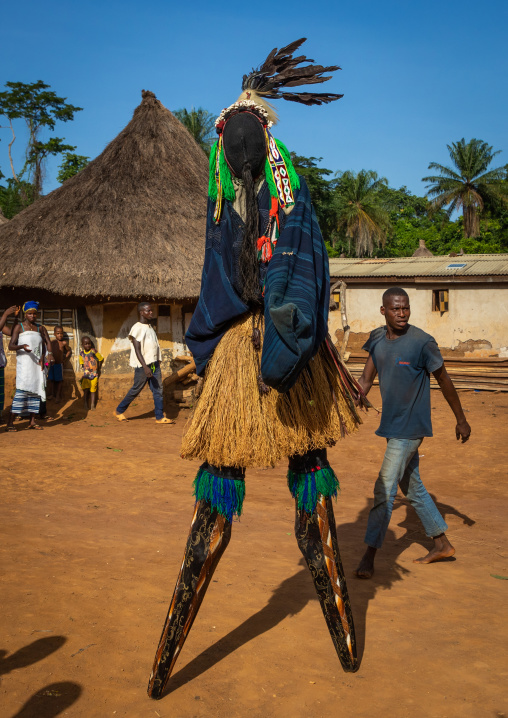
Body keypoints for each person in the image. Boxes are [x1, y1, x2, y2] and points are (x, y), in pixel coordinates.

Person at [147, 40, 372, 700]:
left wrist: (216, 349)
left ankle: (170, 664)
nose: (237, 145)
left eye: (240, 136)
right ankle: (169, 663)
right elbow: (257, 279)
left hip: (275, 363)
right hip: (273, 368)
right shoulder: (257, 205)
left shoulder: (266, 203)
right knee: (246, 506)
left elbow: (240, 292)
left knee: (298, 505)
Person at [353, 287, 471, 579]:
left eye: (405, 308)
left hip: (411, 428)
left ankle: (369, 555)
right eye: (395, 309)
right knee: (413, 487)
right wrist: (346, 400)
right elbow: (366, 380)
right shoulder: (377, 340)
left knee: (385, 488)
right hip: (392, 427)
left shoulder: (422, 343)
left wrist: (461, 419)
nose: (402, 313)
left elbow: (444, 380)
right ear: (384, 311)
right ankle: (442, 544)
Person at [114, 302, 173, 424]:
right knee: (136, 389)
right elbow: (137, 350)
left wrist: (156, 361)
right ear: (141, 312)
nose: (151, 312)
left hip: (153, 364)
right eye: (148, 311)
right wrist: (145, 367)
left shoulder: (150, 327)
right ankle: (119, 411)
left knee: (158, 390)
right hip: (143, 366)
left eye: (151, 310)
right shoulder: (137, 328)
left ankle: (160, 417)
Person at [6, 301, 54, 431]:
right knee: (21, 391)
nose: (32, 316)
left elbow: (48, 342)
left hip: (37, 365)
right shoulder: (19, 327)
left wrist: (48, 354)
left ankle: (32, 421)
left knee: (35, 391)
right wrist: (21, 347)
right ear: (25, 314)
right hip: (25, 366)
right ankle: (10, 422)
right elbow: (11, 346)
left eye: (34, 314)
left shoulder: (40, 328)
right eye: (30, 313)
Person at [0, 306, 20, 423]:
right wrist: (6, 314)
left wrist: (16, 318)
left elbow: (13, 333)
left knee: (0, 392)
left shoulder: (1, 325)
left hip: (0, 363)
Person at [47, 325, 72, 403]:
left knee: (59, 380)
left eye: (61, 333)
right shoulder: (52, 342)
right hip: (51, 364)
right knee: (51, 380)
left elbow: (69, 351)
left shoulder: (63, 343)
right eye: (58, 333)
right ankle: (51, 394)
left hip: (59, 365)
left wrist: (64, 359)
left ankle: (58, 395)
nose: (60, 335)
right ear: (54, 334)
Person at [79, 336, 103, 410]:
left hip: (94, 374)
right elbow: (82, 363)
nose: (87, 345)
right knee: (86, 390)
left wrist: (98, 368)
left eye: (89, 343)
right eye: (85, 344)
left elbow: (100, 359)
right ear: (82, 345)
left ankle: (92, 404)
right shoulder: (81, 354)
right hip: (86, 375)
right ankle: (85, 403)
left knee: (93, 389)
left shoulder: (93, 351)